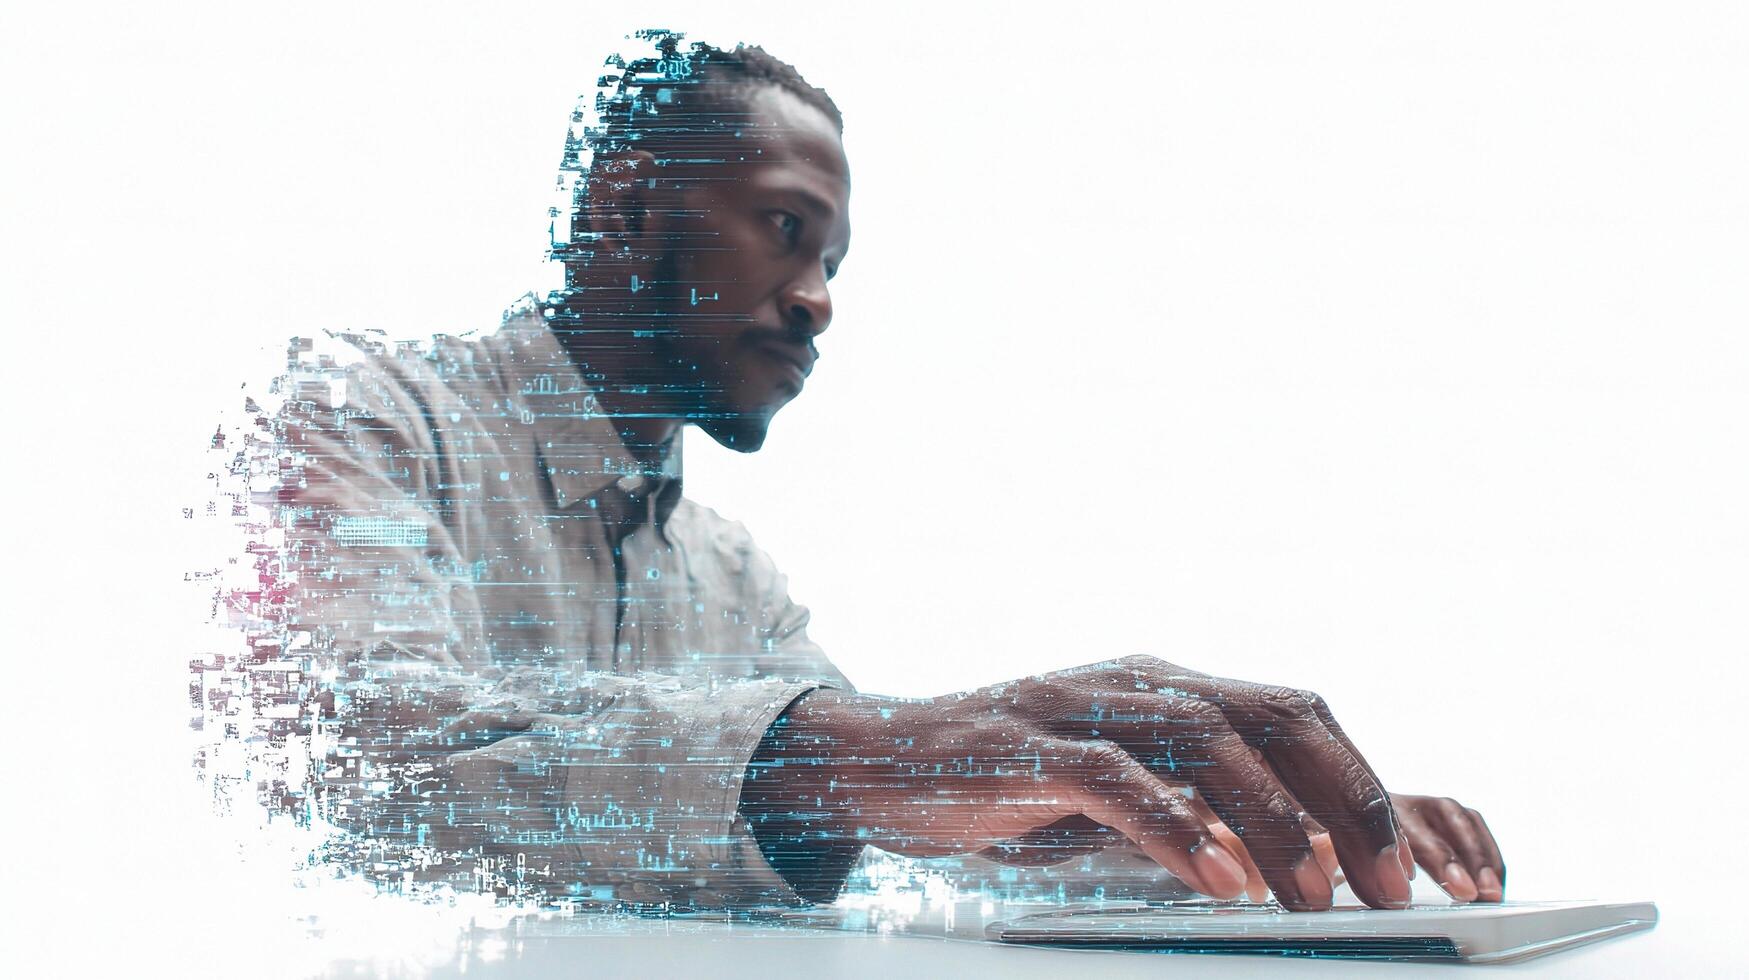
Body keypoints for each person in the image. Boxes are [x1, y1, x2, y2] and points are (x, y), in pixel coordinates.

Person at [243, 31, 1504, 912]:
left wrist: (1245, 831)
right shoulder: (362, 414)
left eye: (836, 263)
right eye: (788, 230)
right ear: (628, 207)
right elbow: (339, 769)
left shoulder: (732, 578)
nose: (818, 301)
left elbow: (905, 826)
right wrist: (852, 759)